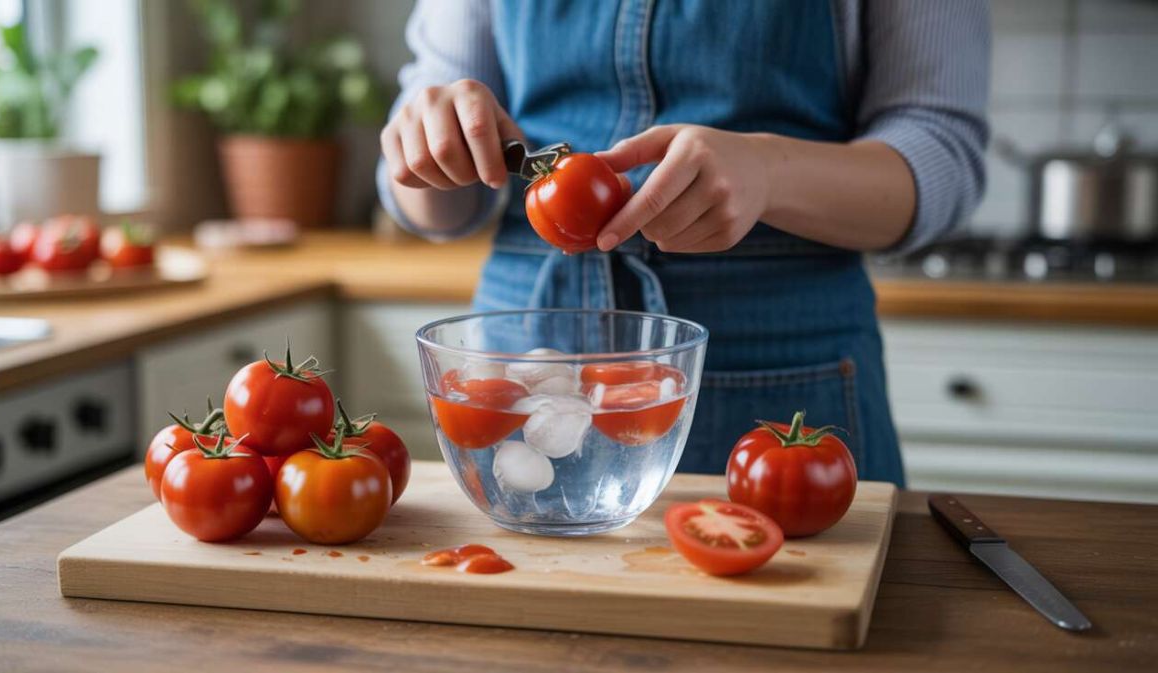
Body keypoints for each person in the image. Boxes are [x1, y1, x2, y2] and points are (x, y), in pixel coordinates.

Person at [378, 1, 989, 485]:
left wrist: (768, 171)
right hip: (525, 364)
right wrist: (424, 145)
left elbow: (943, 153)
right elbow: (433, 202)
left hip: (781, 364)